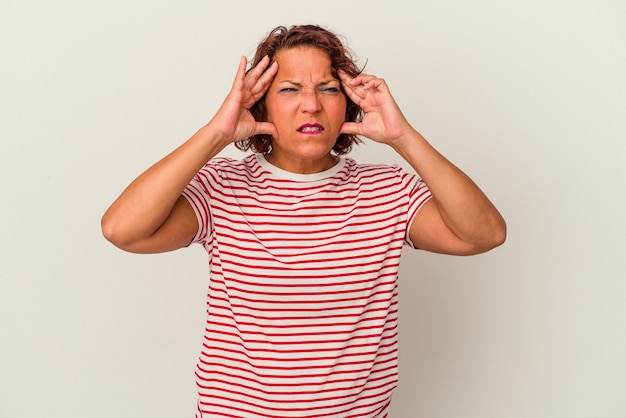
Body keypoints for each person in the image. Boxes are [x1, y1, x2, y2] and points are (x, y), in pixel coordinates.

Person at [102, 24, 506, 418]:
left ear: (348, 102)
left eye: (328, 89)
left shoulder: (389, 191)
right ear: (260, 104)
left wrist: (403, 137)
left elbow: (484, 234)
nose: (311, 104)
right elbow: (123, 229)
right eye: (290, 89)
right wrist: (217, 133)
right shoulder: (222, 186)